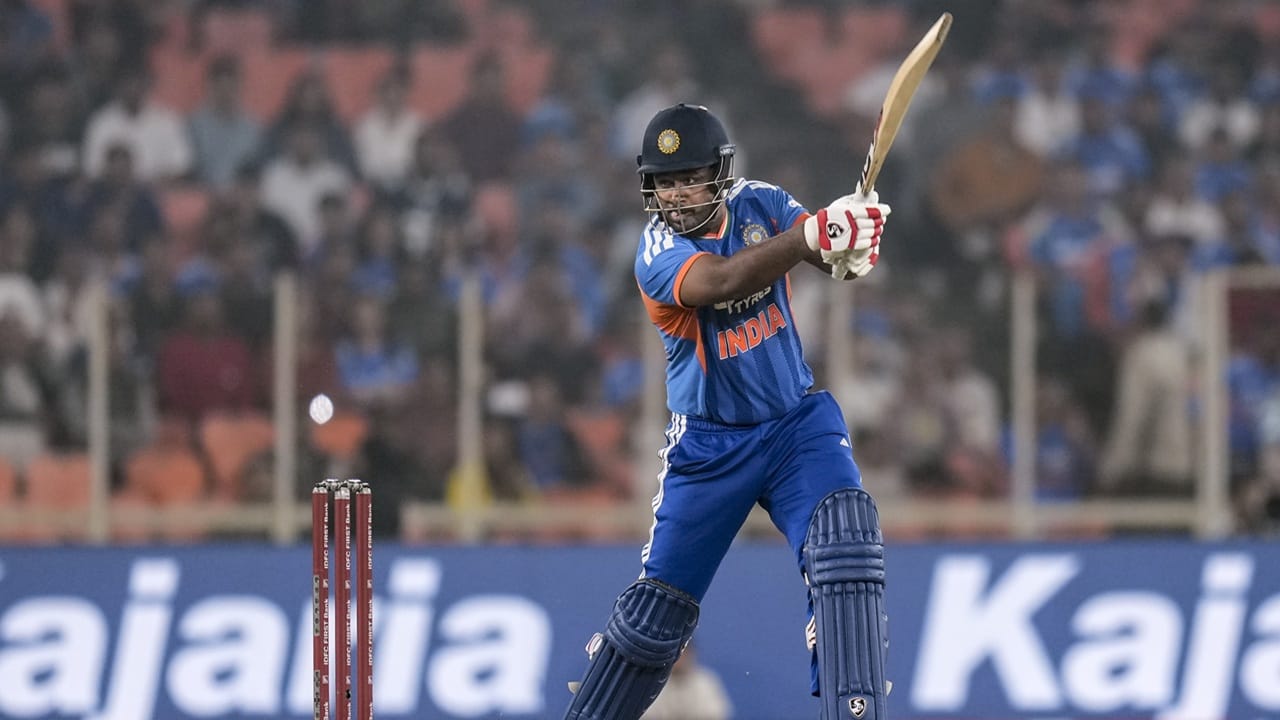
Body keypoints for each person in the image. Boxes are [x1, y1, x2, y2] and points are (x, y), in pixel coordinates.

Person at [563, 103, 892, 720]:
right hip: (710, 447)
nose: (676, 194)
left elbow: (823, 253)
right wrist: (812, 237)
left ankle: (857, 708)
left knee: (846, 542)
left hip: (795, 425)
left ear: (720, 172)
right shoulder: (655, 251)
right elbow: (720, 282)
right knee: (652, 623)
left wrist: (851, 241)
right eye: (664, 182)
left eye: (690, 178)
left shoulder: (761, 202)